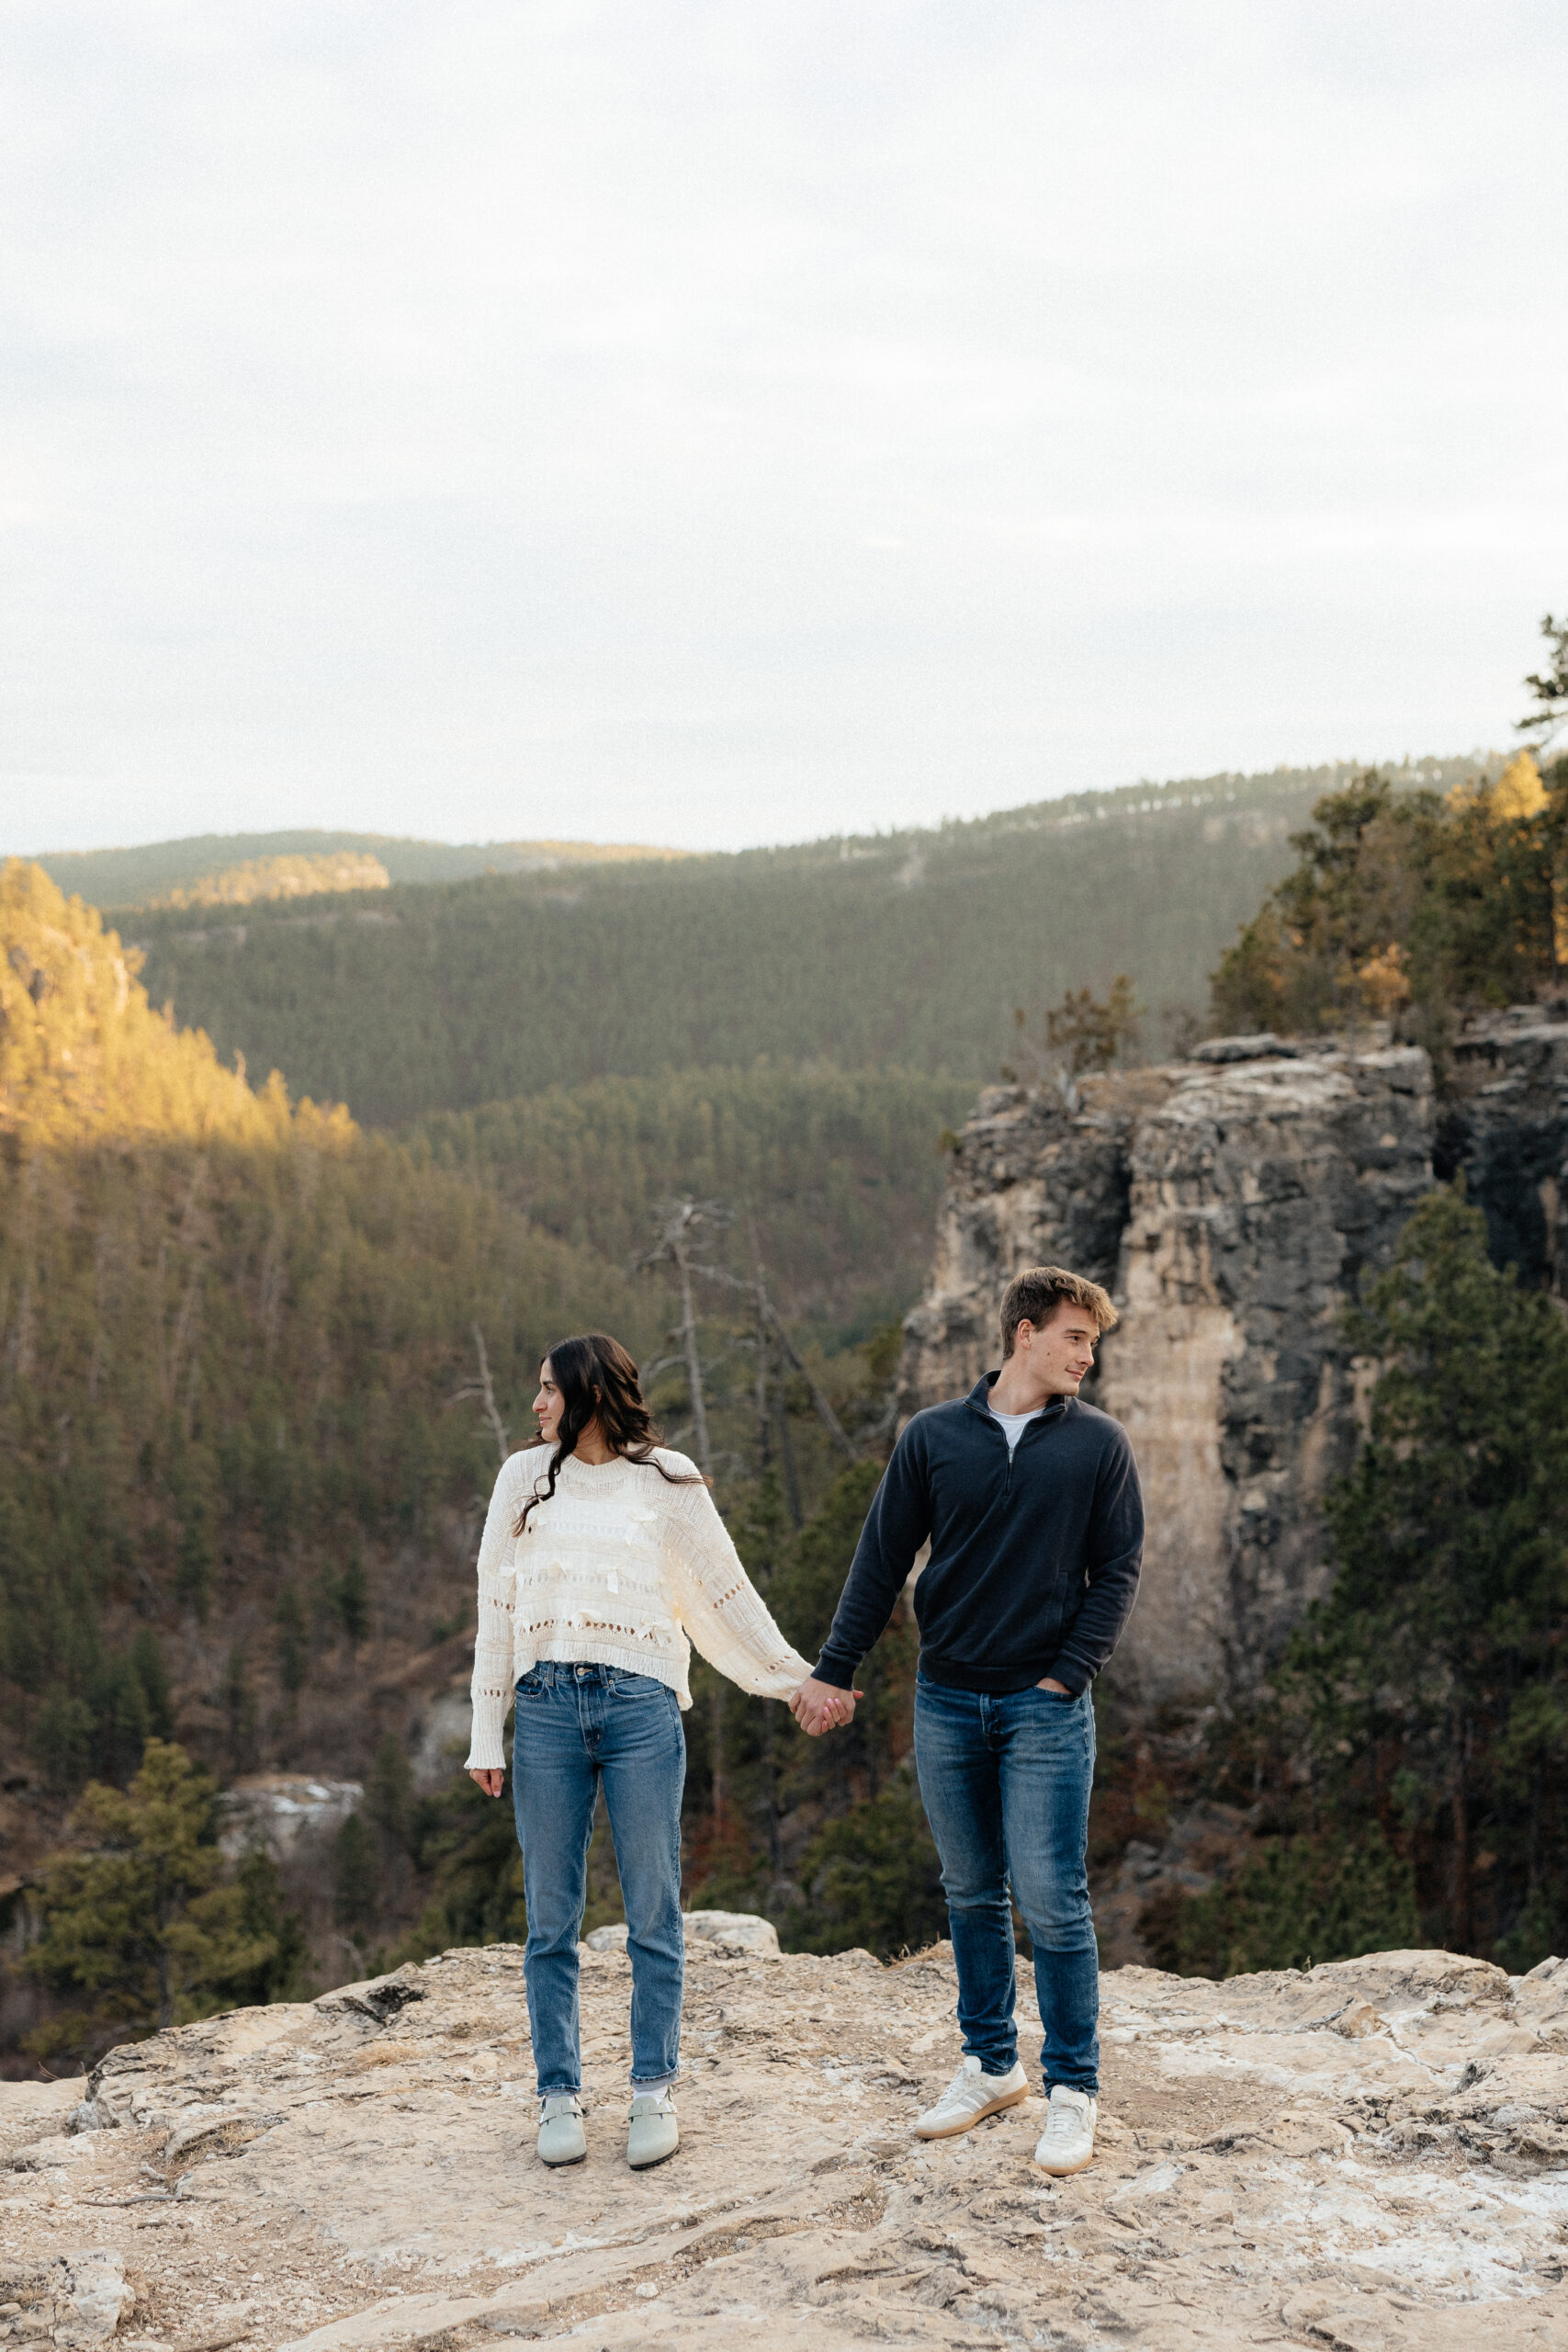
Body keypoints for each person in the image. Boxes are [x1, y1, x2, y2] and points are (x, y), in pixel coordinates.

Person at [791, 1266, 1142, 2177]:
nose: (1087, 1354)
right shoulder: (934, 1437)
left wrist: (1072, 1672)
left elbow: (1119, 1569)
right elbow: (881, 1558)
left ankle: (1072, 2088)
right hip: (946, 1698)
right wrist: (836, 1668)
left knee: (1053, 1896)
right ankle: (991, 2065)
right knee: (970, 1889)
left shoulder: (1098, 1444)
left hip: (1045, 1706)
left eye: (1093, 1341)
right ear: (1023, 1333)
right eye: (1075, 1336)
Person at [465, 1331, 831, 2171]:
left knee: (653, 1909)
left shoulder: (670, 1480)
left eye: (550, 1389)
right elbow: (496, 1607)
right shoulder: (522, 1478)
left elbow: (723, 1597)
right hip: (547, 1708)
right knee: (549, 1918)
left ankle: (651, 2090)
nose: (537, 1404)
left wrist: (796, 1681)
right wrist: (487, 1730)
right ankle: (557, 2096)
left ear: (592, 1394)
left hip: (640, 1709)